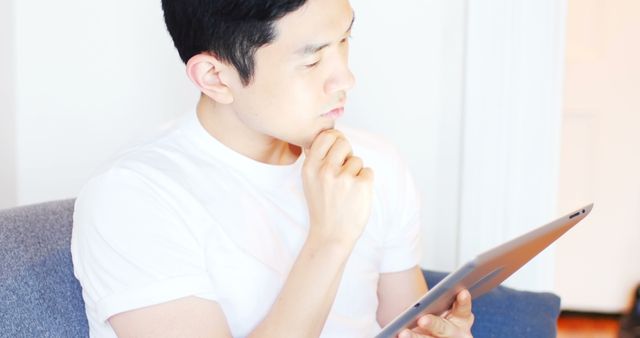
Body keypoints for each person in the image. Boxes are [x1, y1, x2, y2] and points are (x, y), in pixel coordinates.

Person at [70, 0, 475, 337]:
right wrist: (330, 239)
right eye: (313, 60)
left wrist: (440, 330)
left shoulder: (375, 162)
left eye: (345, 40)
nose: (346, 78)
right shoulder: (134, 198)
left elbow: (406, 319)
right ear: (215, 77)